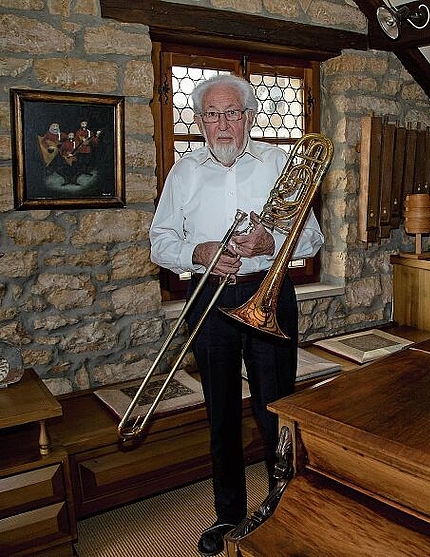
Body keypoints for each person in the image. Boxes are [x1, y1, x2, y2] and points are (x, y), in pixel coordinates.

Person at [149, 74, 323, 556]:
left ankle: (281, 505)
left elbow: (313, 239)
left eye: (231, 113)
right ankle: (228, 515)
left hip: (268, 293)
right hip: (209, 297)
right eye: (211, 114)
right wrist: (199, 252)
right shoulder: (183, 172)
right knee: (220, 412)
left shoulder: (278, 161)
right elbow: (159, 241)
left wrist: (273, 242)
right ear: (200, 121)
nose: (221, 124)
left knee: (275, 409)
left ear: (249, 117)